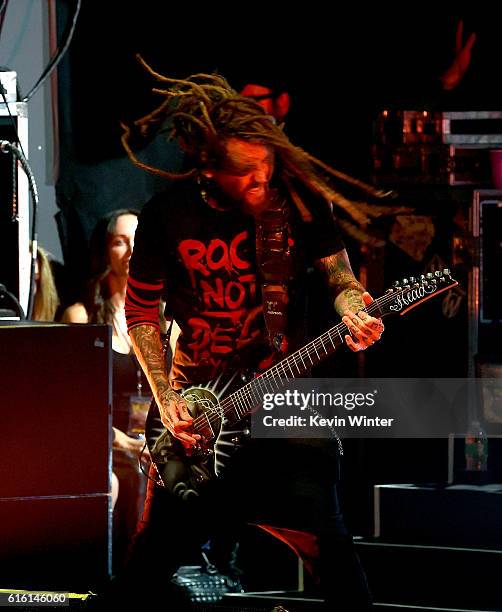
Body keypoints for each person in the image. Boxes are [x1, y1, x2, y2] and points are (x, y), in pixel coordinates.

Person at [118, 65, 384, 610]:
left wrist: (356, 309)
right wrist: (166, 399)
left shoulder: (300, 203)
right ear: (209, 169)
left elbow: (340, 277)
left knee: (339, 569)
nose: (263, 183)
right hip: (199, 418)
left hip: (284, 407)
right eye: (248, 174)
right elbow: (141, 308)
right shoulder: (167, 215)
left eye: (267, 169)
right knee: (147, 573)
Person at [61, 209, 152, 571]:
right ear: (105, 251)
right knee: (110, 480)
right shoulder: (81, 317)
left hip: (149, 443)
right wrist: (126, 444)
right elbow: (72, 410)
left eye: (138, 242)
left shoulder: (164, 317)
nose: (131, 251)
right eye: (120, 242)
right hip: (102, 445)